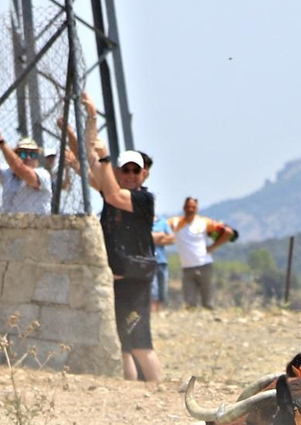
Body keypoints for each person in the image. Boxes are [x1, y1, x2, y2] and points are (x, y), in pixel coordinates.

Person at [89, 133, 164, 381]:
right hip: (119, 277)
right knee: (123, 344)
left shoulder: (143, 199)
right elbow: (96, 174)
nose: (131, 175)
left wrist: (104, 156)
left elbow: (112, 195)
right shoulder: (114, 194)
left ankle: (159, 393)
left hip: (134, 279)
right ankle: (131, 394)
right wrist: (89, 125)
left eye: (136, 170)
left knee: (140, 341)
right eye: (126, 170)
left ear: (144, 174)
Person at [170, 197, 231, 309]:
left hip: (204, 265)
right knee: (189, 303)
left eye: (193, 207)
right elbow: (161, 228)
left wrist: (213, 246)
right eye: (188, 207)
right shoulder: (176, 223)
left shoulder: (204, 222)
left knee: (208, 302)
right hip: (187, 267)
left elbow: (227, 232)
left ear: (197, 208)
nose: (190, 209)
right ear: (184, 208)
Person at [151, 212, 174, 311]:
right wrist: (161, 235)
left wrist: (153, 239)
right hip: (149, 262)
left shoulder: (163, 221)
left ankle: (159, 312)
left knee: (162, 290)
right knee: (153, 291)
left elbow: (172, 239)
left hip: (162, 261)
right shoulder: (142, 221)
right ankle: (153, 314)